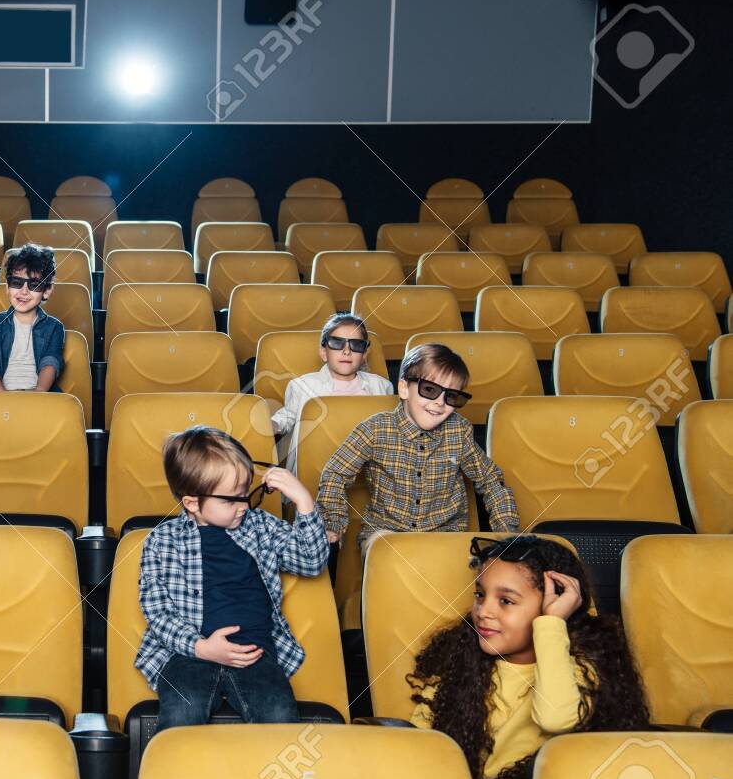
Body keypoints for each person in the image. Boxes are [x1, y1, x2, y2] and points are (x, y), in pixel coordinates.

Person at [408, 535, 651, 779]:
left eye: (506, 601)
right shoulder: (460, 663)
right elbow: (422, 747)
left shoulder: (581, 669)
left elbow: (555, 718)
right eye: (480, 595)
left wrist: (551, 623)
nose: (483, 611)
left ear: (555, 604)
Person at [135, 426, 330, 731]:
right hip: (188, 654)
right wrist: (201, 647)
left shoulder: (261, 526)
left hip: (255, 652)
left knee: (279, 714)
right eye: (231, 500)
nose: (243, 506)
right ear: (192, 503)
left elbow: (312, 561)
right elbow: (158, 613)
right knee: (182, 714)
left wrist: (304, 502)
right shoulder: (162, 541)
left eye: (246, 494)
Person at [317, 342, 520, 551]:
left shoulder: (459, 431)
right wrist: (333, 523)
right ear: (404, 389)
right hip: (386, 533)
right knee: (388, 553)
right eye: (430, 389)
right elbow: (335, 473)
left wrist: (508, 535)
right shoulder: (375, 428)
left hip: (446, 535)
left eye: (451, 395)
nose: (440, 402)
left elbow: (491, 480)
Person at [269, 312, 394, 473]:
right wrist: (273, 425)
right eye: (337, 343)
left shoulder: (382, 386)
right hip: (317, 467)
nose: (347, 351)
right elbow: (287, 416)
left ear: (364, 354)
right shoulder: (302, 385)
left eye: (356, 345)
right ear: (323, 352)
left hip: (367, 470)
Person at [0, 243, 65, 392]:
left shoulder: (54, 327)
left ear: (47, 290)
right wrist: (3, 400)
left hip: (38, 396)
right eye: (17, 283)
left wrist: (38, 396)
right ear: (7, 287)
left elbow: (50, 364)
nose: (24, 291)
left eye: (34, 285)